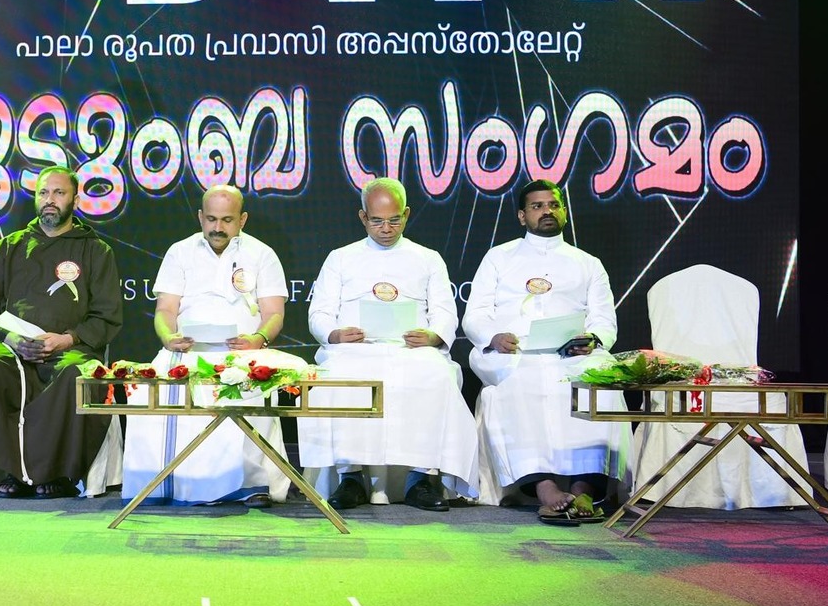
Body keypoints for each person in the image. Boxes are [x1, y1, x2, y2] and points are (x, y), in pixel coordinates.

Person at [298, 177, 479, 513]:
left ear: (407, 214)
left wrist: (432, 336)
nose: (386, 229)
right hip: (354, 350)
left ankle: (421, 479)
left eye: (394, 220)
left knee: (437, 375)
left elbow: (445, 313)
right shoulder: (341, 258)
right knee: (336, 375)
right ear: (363, 217)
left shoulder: (428, 258)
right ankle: (351, 478)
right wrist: (335, 334)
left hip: (410, 350)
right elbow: (319, 313)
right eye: (377, 221)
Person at [462, 180, 631, 523]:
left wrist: (592, 339)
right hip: (516, 353)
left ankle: (585, 489)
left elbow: (604, 321)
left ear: (564, 211)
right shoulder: (499, 257)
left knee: (600, 387)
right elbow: (474, 316)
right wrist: (494, 337)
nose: (546, 211)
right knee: (517, 384)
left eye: (553, 205)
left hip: (573, 354)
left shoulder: (588, 263)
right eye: (537, 206)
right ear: (522, 216)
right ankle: (544, 488)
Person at [121, 184, 292, 505]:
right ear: (200, 217)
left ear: (242, 219)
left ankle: (249, 485)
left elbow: (274, 314)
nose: (218, 227)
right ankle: (169, 484)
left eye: (227, 220)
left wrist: (257, 340)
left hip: (243, 354)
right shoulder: (180, 252)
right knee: (151, 389)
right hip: (187, 351)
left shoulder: (262, 254)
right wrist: (168, 337)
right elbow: (165, 310)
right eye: (211, 219)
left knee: (242, 385)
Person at [0, 166, 123, 498]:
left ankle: (55, 474)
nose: (50, 200)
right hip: (13, 346)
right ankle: (11, 471)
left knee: (75, 374)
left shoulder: (96, 251)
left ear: (75, 201)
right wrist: (12, 339)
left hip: (71, 347)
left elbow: (107, 316)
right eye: (43, 193)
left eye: (59, 193)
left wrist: (67, 339)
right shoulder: (9, 247)